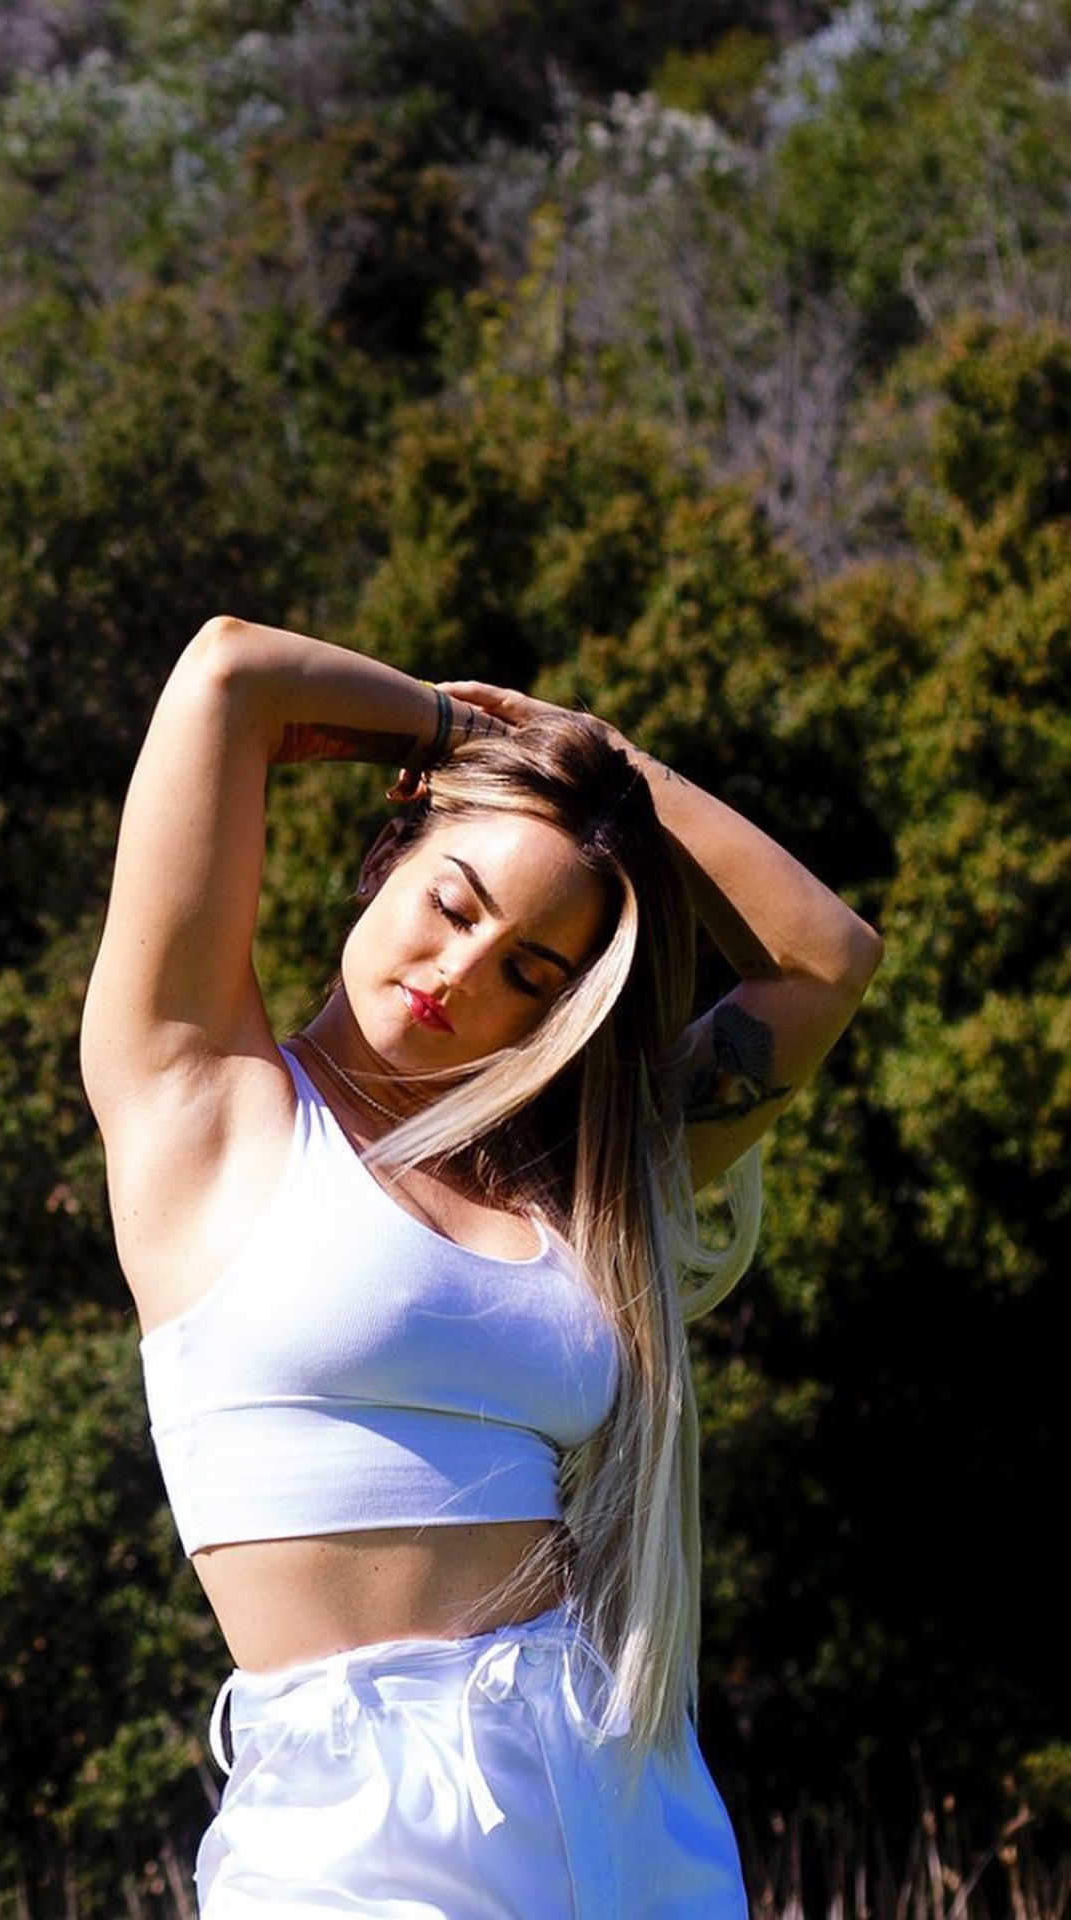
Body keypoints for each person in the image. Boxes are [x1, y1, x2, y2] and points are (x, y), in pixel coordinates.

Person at [78, 616, 883, 1918]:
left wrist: (609, 764)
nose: (459, 971)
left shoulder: (576, 1183)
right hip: (356, 1831)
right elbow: (230, 672)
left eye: (530, 971)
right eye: (452, 904)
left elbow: (825, 962)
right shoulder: (203, 1100)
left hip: (623, 1799)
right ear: (385, 856)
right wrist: (475, 732)